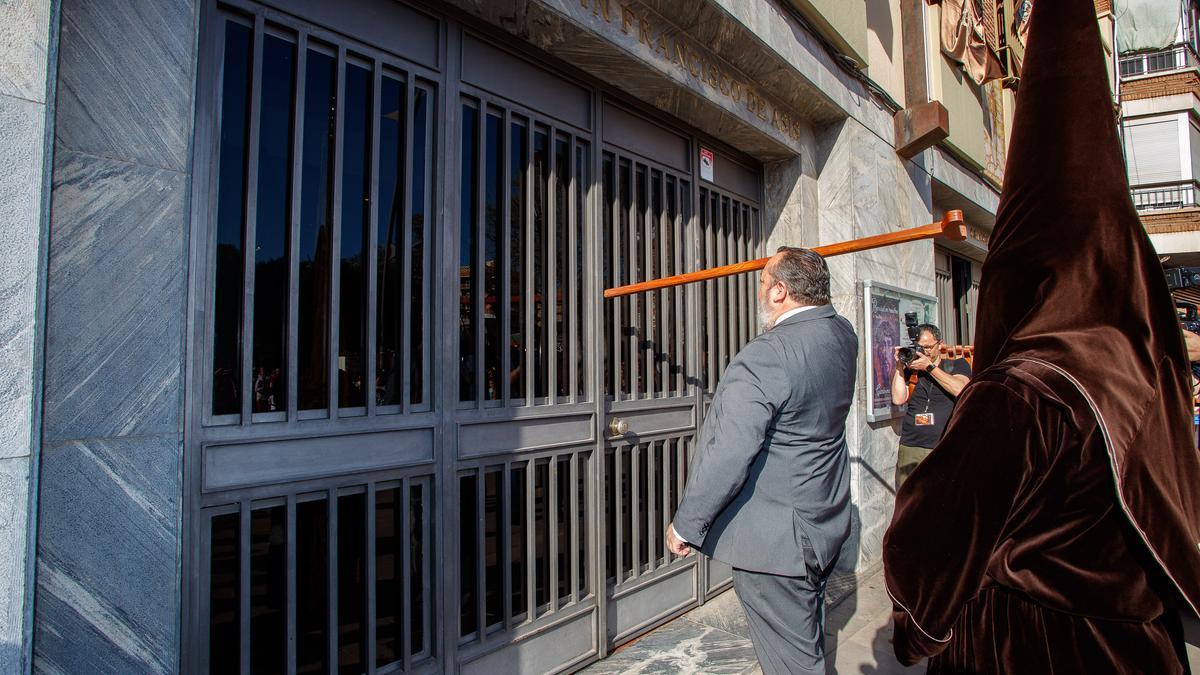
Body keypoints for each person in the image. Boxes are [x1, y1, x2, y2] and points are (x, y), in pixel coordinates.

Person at [883, 0, 1200, 671]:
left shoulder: (1024, 390)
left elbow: (933, 537)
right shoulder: (1142, 370)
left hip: (1035, 644)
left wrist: (918, 629)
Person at [665, 247, 857, 675]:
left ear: (780, 292)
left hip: (778, 544)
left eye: (762, 282)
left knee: (793, 664)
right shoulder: (843, 334)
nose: (758, 291)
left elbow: (730, 451)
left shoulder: (769, 353)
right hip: (823, 522)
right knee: (807, 640)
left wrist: (686, 524)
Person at [890, 324, 971, 486]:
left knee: (942, 498)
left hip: (943, 445)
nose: (925, 351)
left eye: (928, 347)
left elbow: (960, 389)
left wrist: (929, 367)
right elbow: (898, 399)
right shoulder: (911, 370)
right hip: (911, 445)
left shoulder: (957, 365)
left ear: (940, 344)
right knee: (908, 499)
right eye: (921, 347)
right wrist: (899, 365)